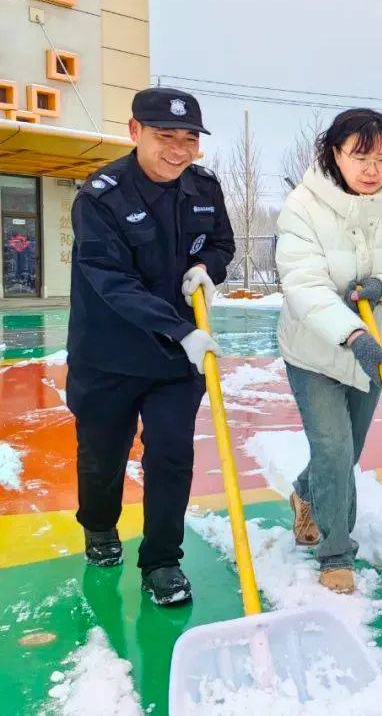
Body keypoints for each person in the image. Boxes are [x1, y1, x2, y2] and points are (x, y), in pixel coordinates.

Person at [68, 87, 234, 605]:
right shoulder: (100, 197)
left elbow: (222, 242)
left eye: (190, 139)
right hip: (108, 356)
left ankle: (162, 560)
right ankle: (98, 526)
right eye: (166, 137)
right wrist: (181, 328)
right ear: (135, 132)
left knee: (171, 455)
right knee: (102, 458)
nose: (179, 150)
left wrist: (209, 268)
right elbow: (111, 281)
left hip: (174, 362)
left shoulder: (203, 187)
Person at [276, 108, 382, 593]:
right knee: (333, 446)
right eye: (360, 156)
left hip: (376, 351)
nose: (372, 169)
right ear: (334, 154)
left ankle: (306, 494)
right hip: (315, 350)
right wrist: (353, 336)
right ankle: (334, 552)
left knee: (346, 454)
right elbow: (304, 286)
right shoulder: (303, 206)